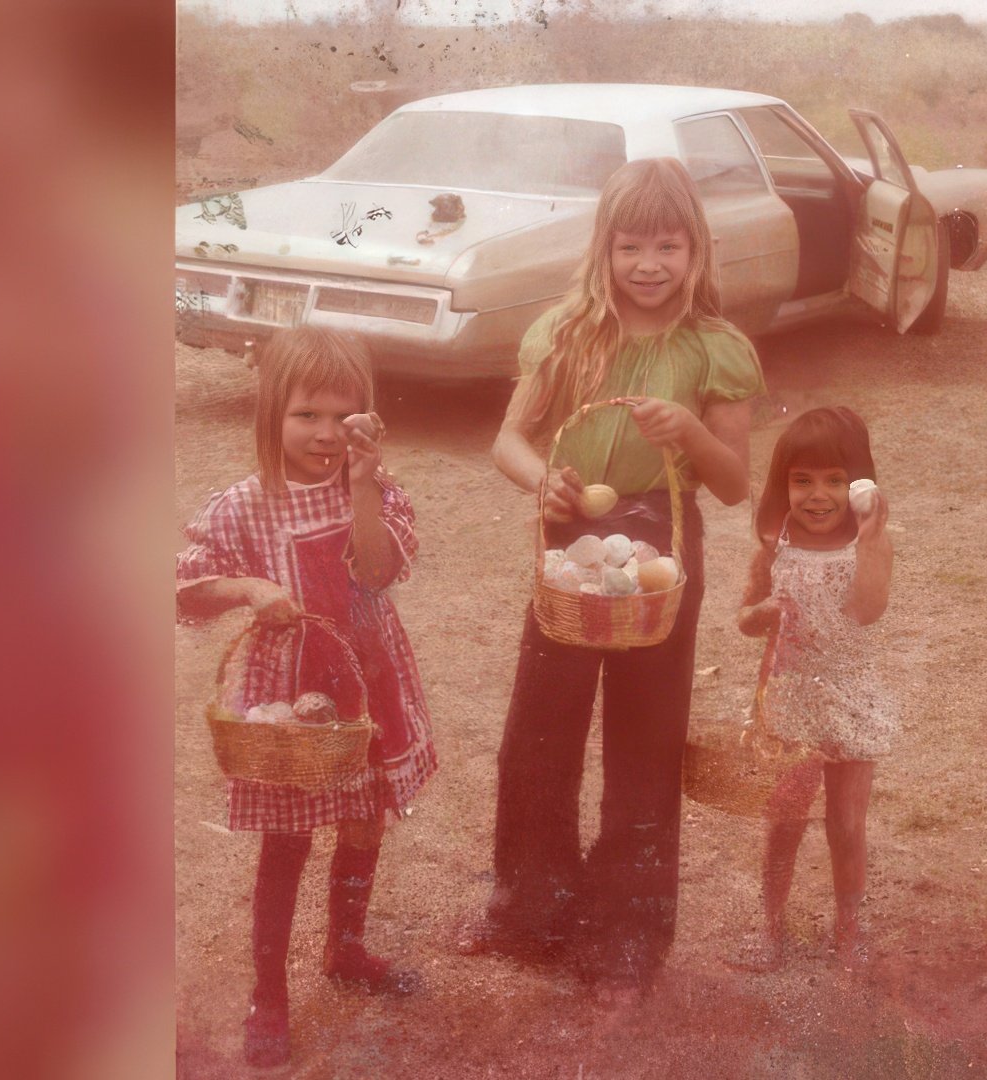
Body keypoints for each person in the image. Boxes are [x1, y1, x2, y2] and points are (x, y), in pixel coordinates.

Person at [465, 157, 764, 1002]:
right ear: (604, 249)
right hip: (569, 543)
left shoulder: (715, 348)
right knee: (538, 730)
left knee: (645, 736)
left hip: (663, 544)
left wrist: (691, 438)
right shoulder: (565, 333)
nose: (648, 264)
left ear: (695, 250)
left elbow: (736, 482)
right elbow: (508, 442)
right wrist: (543, 483)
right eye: (630, 245)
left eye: (667, 245)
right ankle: (529, 909)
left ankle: (628, 934)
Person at [175, 326, 436, 1067]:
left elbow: (379, 574)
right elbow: (186, 591)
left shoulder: (377, 491)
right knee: (286, 842)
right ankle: (269, 993)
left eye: (341, 416)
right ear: (271, 416)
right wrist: (251, 589)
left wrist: (360, 487)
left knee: (364, 818)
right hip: (288, 703)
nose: (325, 433)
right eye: (306, 416)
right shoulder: (242, 505)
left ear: (365, 420)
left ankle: (346, 949)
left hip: (365, 682)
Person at [734, 407, 897, 971]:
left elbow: (868, 610)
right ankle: (771, 929)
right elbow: (744, 618)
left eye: (835, 480)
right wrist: (765, 611)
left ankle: (849, 931)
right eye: (802, 480)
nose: (817, 495)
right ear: (784, 484)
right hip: (789, 700)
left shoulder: (868, 544)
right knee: (783, 822)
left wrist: (874, 537)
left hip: (849, 695)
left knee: (846, 825)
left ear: (858, 486)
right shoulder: (774, 543)